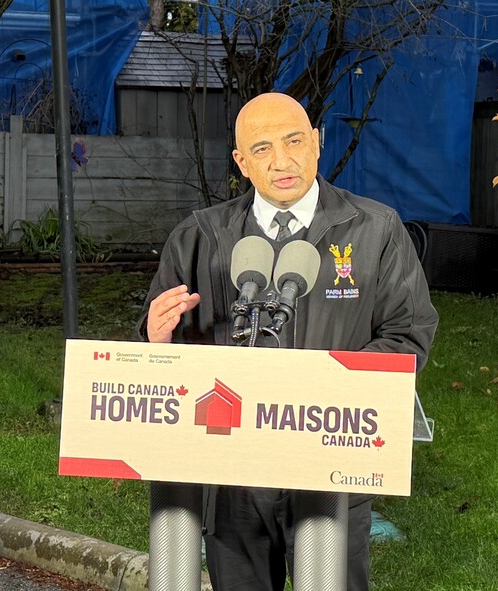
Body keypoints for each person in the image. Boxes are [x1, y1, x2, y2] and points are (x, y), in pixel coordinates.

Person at [138, 92, 438, 590]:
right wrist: (154, 337)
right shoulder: (199, 237)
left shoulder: (375, 230)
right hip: (231, 475)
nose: (282, 161)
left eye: (294, 141)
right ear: (241, 163)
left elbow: (408, 335)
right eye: (262, 149)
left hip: (331, 466)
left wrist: (323, 390)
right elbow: (160, 352)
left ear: (316, 143)